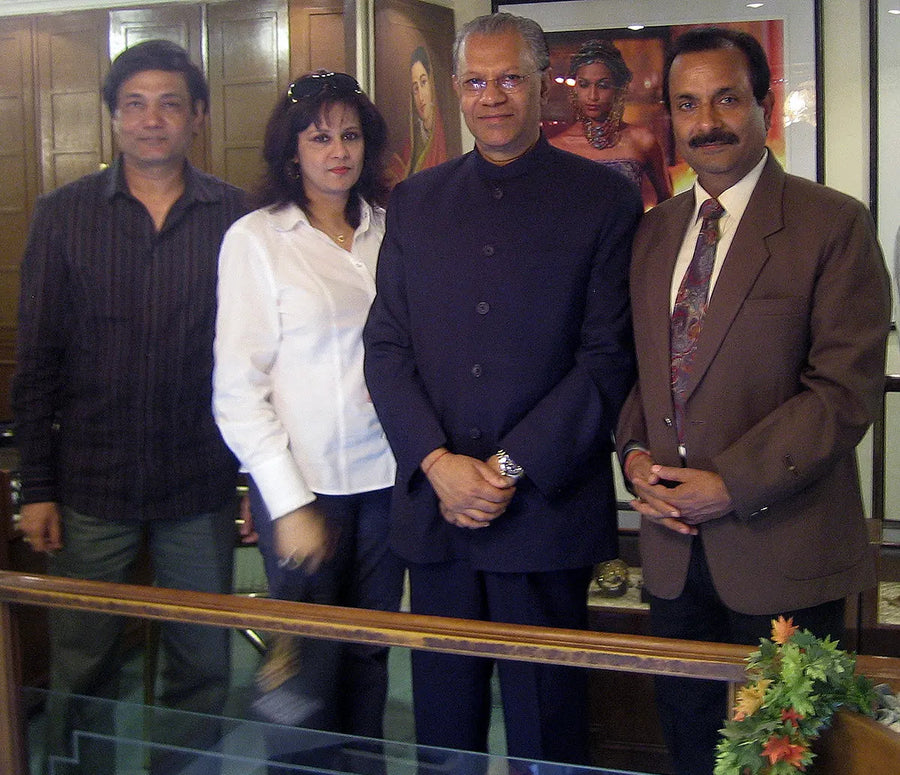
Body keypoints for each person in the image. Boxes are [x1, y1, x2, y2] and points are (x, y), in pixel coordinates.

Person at [363, 12, 641, 765]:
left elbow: (607, 356)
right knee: (443, 728)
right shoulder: (416, 202)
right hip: (438, 512)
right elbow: (386, 347)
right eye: (478, 81)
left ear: (541, 84)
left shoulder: (603, 199)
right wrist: (437, 463)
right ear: (456, 89)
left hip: (545, 512)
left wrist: (508, 469)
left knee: (547, 728)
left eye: (511, 77)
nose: (493, 96)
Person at [615, 27, 891, 775]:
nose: (707, 121)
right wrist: (634, 453)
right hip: (673, 556)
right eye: (688, 103)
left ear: (765, 107)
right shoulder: (652, 233)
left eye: (727, 98)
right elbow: (644, 372)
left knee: (788, 758)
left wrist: (730, 483)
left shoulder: (832, 224)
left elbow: (843, 391)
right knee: (690, 744)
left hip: (786, 551)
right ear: (670, 118)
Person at [11, 39, 249, 774]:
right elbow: (38, 362)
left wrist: (253, 482)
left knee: (202, 665)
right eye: (136, 105)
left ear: (197, 117)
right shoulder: (63, 216)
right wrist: (38, 487)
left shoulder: (237, 219)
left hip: (199, 483)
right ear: (113, 118)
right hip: (91, 485)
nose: (153, 120)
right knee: (83, 664)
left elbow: (255, 363)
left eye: (170, 104)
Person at [212, 70, 404, 747]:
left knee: (370, 656)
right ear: (292, 150)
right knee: (302, 678)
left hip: (387, 483)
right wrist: (287, 502)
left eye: (350, 135)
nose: (338, 151)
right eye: (320, 137)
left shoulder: (392, 229)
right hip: (306, 489)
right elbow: (236, 390)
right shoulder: (257, 239)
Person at [548, 38, 672, 208]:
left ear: (618, 88)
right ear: (575, 88)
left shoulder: (641, 140)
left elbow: (667, 200)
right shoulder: (558, 147)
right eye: (584, 85)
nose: (593, 96)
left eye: (603, 85)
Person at [387, 46, 449, 186]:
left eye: (423, 83)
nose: (420, 96)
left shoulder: (445, 137)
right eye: (415, 88)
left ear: (432, 84)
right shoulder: (413, 141)